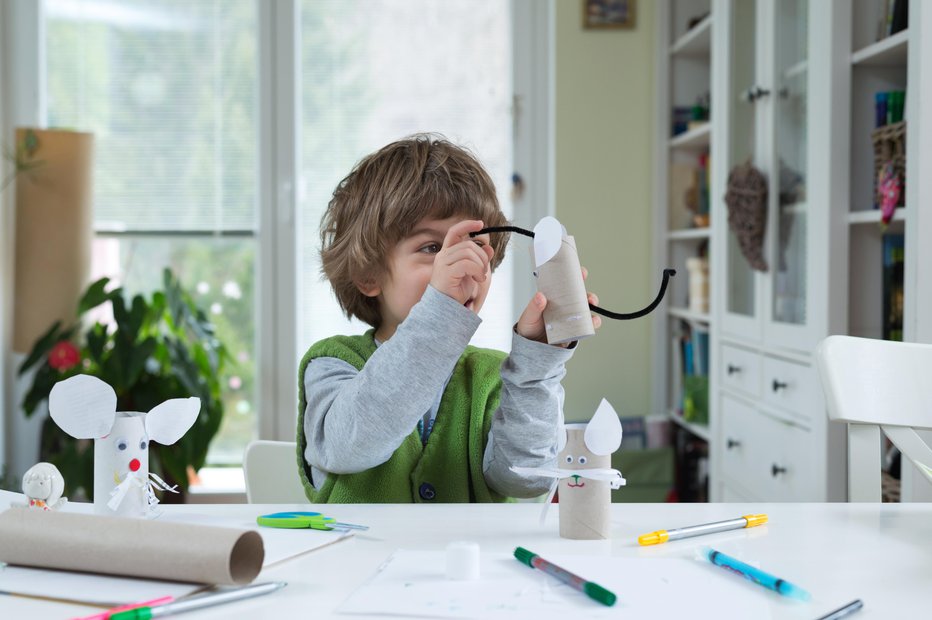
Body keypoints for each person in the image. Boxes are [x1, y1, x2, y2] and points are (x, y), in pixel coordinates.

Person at [297, 133, 601, 502]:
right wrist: (439, 307)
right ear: (368, 275)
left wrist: (535, 364)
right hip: (363, 559)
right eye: (431, 248)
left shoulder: (493, 377)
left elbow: (527, 480)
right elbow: (350, 445)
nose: (460, 267)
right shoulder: (332, 364)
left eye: (475, 246)